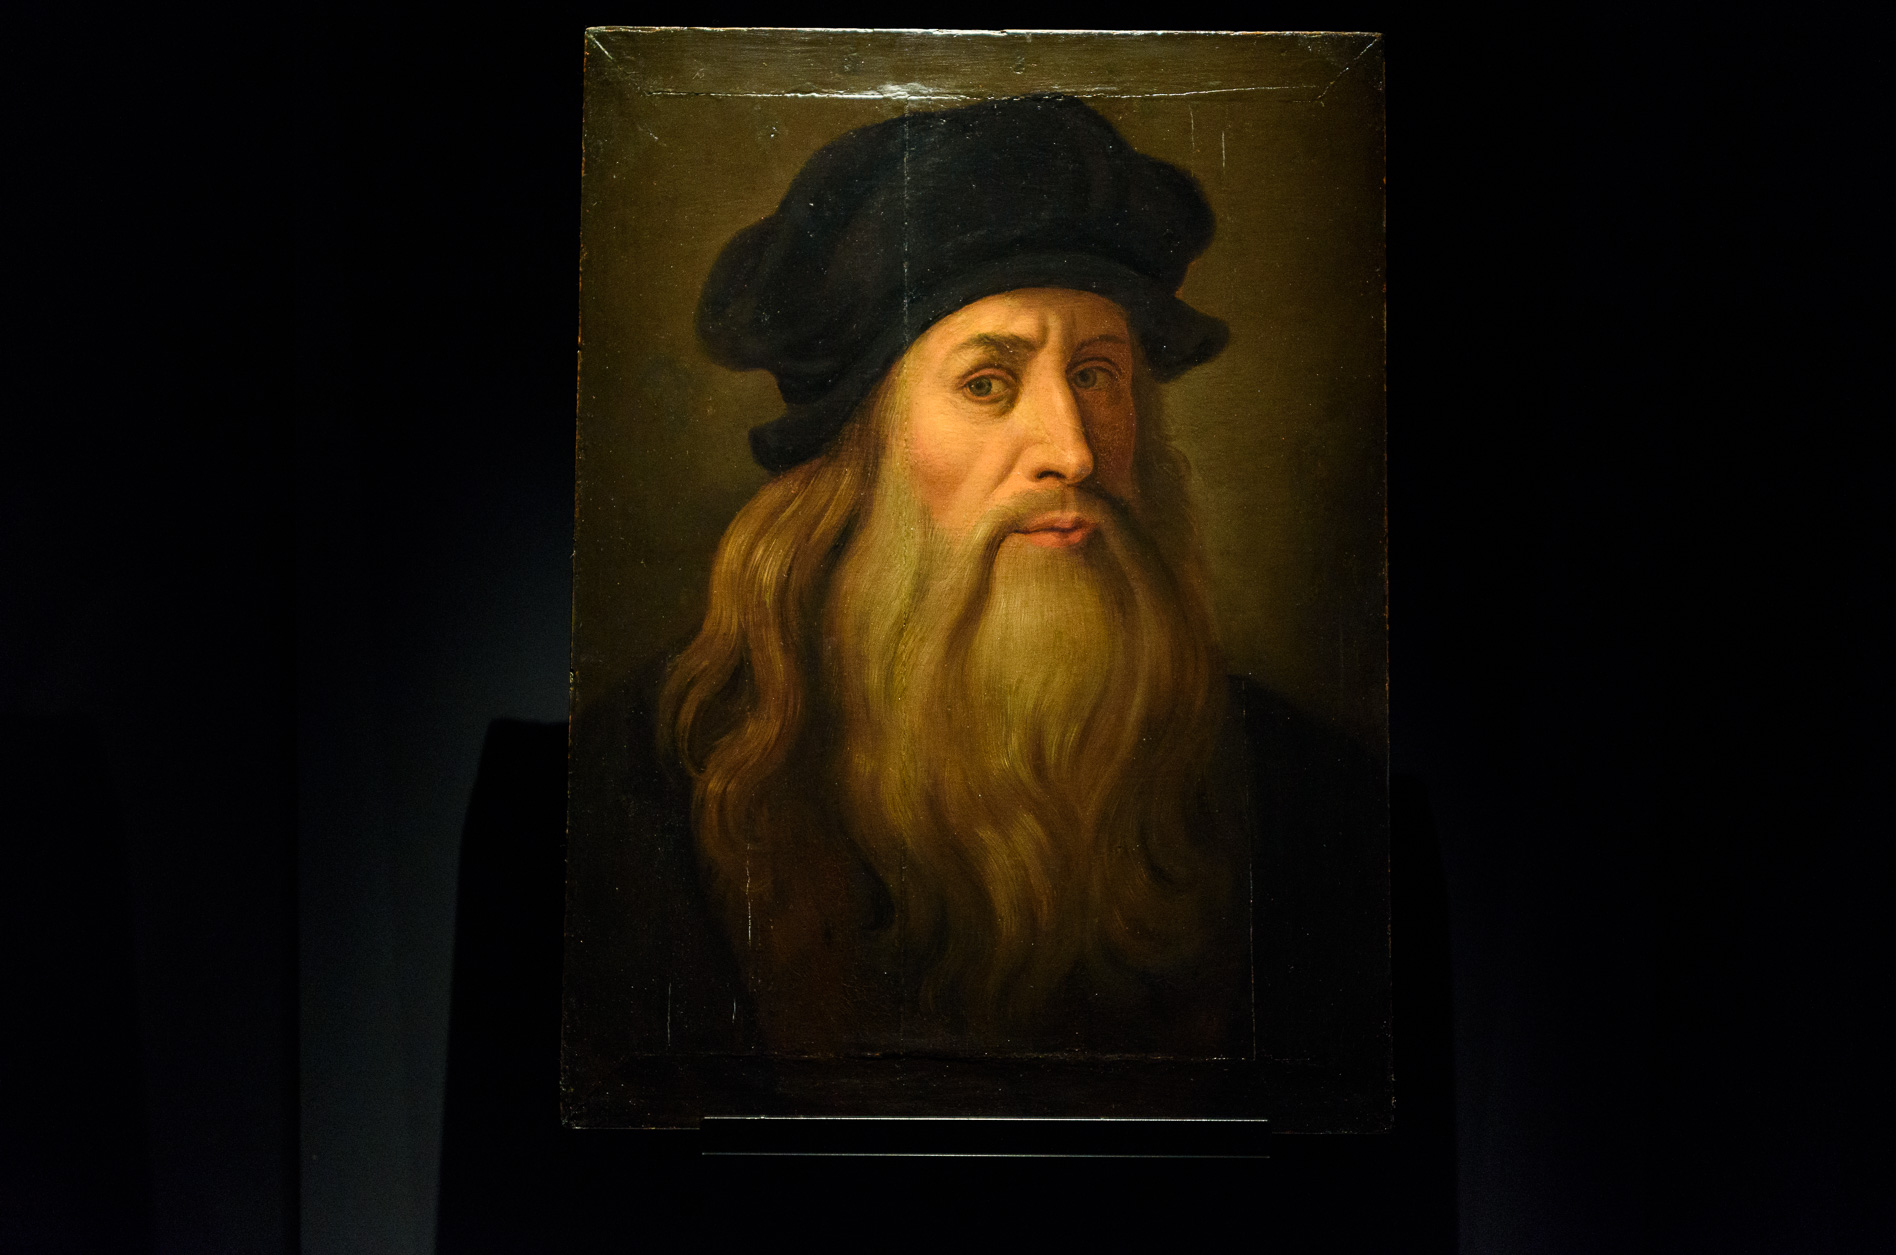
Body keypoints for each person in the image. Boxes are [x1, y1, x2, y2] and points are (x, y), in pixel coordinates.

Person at [565, 95, 1385, 1068]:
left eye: (1097, 374)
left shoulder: (1312, 801)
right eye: (987, 383)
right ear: (861, 455)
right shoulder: (638, 794)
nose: (1073, 451)